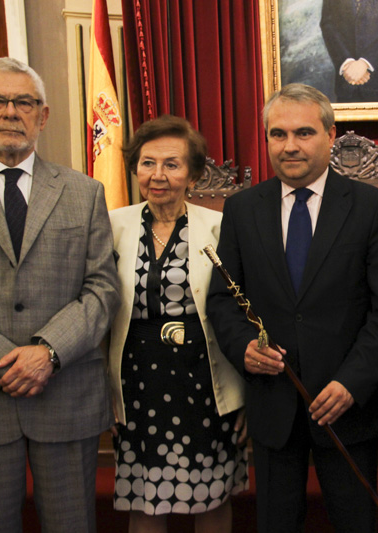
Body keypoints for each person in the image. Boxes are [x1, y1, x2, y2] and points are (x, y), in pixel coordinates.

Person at [207, 83, 378, 533]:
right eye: (278, 134)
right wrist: (243, 349)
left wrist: (351, 382)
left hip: (347, 406)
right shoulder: (241, 209)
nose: (289, 145)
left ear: (330, 135)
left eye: (303, 133)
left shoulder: (372, 208)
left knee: (355, 523)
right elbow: (223, 299)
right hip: (274, 404)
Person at [0, 57, 120, 532]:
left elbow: (102, 288)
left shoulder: (83, 191)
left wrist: (47, 352)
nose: (10, 111)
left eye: (23, 102)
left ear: (42, 115)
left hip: (65, 397)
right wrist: (6, 361)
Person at [108, 115, 248, 533]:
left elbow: (239, 313)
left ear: (193, 173)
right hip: (137, 385)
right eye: (147, 163)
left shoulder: (220, 227)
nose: (158, 175)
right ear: (135, 168)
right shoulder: (112, 224)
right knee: (145, 500)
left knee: (210, 497)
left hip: (205, 382)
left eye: (172, 164)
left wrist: (244, 394)